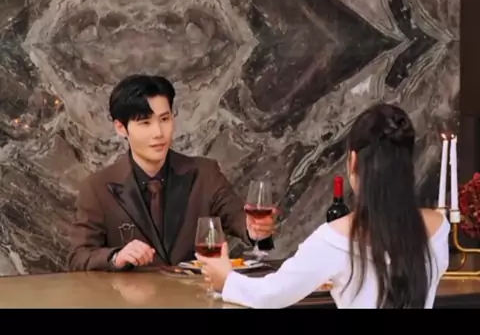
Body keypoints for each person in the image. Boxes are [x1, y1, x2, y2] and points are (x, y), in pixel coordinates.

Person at [196, 103, 451, 309]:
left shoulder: (336, 238)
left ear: (353, 161)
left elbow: (271, 295)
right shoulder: (440, 228)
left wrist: (226, 280)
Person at [67, 74, 276, 271]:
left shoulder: (205, 174)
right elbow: (78, 257)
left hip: (196, 293)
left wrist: (256, 231)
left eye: (164, 119)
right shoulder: (97, 188)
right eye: (145, 123)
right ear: (121, 128)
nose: (158, 133)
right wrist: (116, 256)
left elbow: (239, 218)